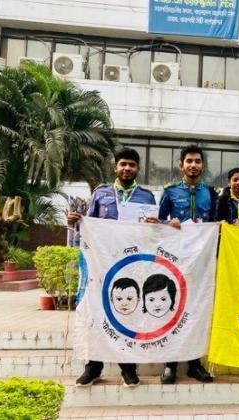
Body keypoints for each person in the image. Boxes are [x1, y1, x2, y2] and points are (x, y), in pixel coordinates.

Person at [68, 147, 156, 388]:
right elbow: (88, 226)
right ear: (115, 167)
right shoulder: (101, 193)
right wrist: (76, 222)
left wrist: (155, 224)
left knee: (128, 313)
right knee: (97, 313)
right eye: (123, 164)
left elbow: (153, 235)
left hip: (131, 265)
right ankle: (93, 367)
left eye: (132, 165)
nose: (127, 168)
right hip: (102, 264)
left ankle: (128, 368)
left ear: (138, 169)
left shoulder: (147, 197)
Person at [150, 144, 216, 385]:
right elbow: (156, 223)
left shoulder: (211, 193)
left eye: (197, 161)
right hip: (175, 260)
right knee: (173, 307)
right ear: (181, 165)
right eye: (189, 161)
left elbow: (216, 224)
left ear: (202, 166)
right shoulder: (169, 192)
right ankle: (170, 363)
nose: (193, 165)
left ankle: (195, 364)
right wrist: (168, 223)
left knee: (197, 310)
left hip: (201, 262)